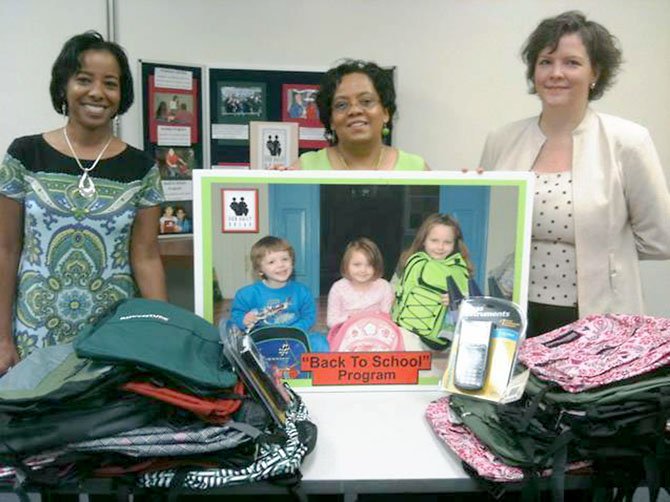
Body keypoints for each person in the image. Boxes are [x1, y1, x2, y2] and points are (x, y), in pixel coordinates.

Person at [479, 11, 670, 337]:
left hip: (600, 316)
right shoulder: (501, 140)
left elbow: (660, 238)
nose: (556, 73)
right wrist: (470, 187)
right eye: (545, 62)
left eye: (571, 62)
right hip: (513, 314)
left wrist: (604, 248)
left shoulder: (628, 140)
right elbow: (490, 227)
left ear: (595, 72)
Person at [0, 31, 167, 372]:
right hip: (34, 335)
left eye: (110, 83)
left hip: (113, 339)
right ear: (64, 87)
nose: (97, 93)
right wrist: (2, 337)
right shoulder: (25, 155)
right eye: (84, 79)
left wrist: (163, 338)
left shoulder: (142, 168)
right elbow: (5, 249)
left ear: (122, 95)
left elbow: (146, 256)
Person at [290, 60, 427, 170]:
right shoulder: (305, 168)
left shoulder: (416, 169)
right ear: (331, 119)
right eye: (341, 105)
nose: (355, 110)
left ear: (385, 113)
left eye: (366, 101)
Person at [230, 236, 316, 333]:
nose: (280, 265)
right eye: (271, 262)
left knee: (320, 342)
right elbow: (236, 316)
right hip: (262, 338)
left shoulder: (302, 292)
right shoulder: (246, 294)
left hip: (294, 336)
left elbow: (309, 317)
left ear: (292, 262)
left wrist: (294, 330)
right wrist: (243, 320)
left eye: (285, 259)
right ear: (260, 270)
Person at [395, 213, 474, 307]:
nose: (440, 247)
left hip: (446, 320)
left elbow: (471, 303)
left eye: (447, 242)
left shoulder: (459, 269)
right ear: (423, 240)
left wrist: (459, 301)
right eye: (434, 240)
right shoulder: (409, 262)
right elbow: (394, 294)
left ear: (455, 244)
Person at [326, 238, 394, 329]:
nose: (363, 270)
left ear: (376, 266)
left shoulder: (384, 287)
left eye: (369, 265)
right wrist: (351, 319)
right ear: (346, 265)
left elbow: (388, 319)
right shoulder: (338, 288)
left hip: (376, 333)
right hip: (346, 333)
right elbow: (331, 321)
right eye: (357, 265)